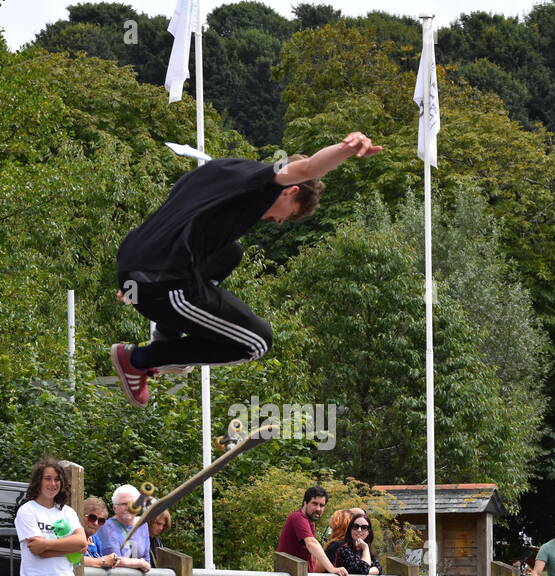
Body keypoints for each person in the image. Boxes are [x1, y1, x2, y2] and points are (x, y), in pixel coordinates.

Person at [110, 132, 384, 406]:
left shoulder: (219, 170)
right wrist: (346, 149)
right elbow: (310, 168)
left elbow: (172, 220)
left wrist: (135, 280)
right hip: (162, 282)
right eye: (288, 214)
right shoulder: (265, 182)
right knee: (257, 343)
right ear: (292, 190)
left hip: (136, 265)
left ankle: (166, 338)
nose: (278, 222)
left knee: (230, 253)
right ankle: (139, 360)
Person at [14, 458, 86, 576]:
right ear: (38, 481)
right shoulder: (27, 511)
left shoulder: (67, 512)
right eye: (48, 478)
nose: (53, 483)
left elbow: (82, 543)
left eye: (57, 479)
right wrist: (71, 547)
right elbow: (38, 552)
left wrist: (46, 544)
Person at [91, 485, 154, 576]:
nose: (129, 508)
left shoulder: (143, 525)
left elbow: (147, 561)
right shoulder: (108, 527)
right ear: (114, 508)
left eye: (133, 504)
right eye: (123, 504)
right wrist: (139, 563)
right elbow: (114, 560)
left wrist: (141, 563)